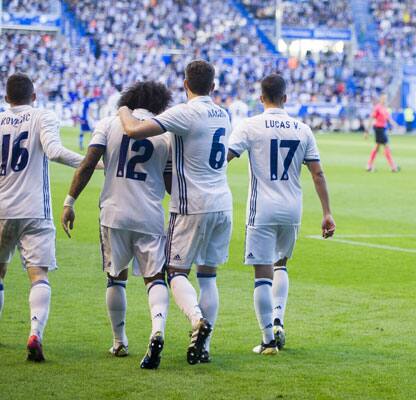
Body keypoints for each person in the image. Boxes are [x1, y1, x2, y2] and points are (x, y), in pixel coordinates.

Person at [117, 60, 232, 365]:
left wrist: (124, 109)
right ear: (214, 86)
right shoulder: (225, 114)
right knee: (208, 276)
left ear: (184, 84)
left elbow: (134, 130)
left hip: (191, 206)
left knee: (175, 272)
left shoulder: (184, 112)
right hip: (223, 204)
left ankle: (197, 321)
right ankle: (203, 348)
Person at [61, 81, 173, 369]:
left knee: (115, 277)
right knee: (155, 279)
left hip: (114, 213)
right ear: (160, 103)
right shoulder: (165, 132)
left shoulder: (109, 123)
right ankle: (157, 330)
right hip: (149, 214)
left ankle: (119, 341)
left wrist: (70, 201)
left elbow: (87, 164)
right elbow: (172, 182)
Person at [227, 74, 335, 355]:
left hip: (261, 208)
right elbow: (317, 173)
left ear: (261, 98)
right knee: (281, 265)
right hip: (291, 209)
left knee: (262, 274)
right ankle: (278, 320)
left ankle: (267, 340)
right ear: (285, 98)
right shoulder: (303, 130)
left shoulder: (249, 126)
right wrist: (327, 213)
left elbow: (223, 158)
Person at [0, 73, 86, 361]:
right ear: (34, 96)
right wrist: (91, 163)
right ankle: (35, 333)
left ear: (6, 97)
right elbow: (55, 152)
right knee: (38, 275)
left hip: (1, 209)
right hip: (35, 209)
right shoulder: (42, 116)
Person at [365, 94, 399, 172]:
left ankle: (369, 165)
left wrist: (395, 125)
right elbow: (371, 118)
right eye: (383, 98)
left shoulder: (384, 108)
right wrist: (367, 131)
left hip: (382, 128)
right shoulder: (377, 107)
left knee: (377, 147)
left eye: (386, 99)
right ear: (380, 99)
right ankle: (393, 166)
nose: (385, 100)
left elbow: (388, 119)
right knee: (386, 146)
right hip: (378, 128)